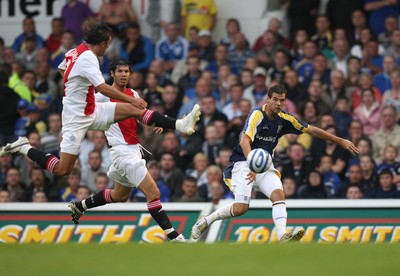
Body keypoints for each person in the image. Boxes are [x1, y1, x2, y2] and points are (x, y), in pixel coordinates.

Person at [0, 20, 201, 182]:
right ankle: (23, 147)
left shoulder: (74, 51)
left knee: (135, 111)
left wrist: (75, 86)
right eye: (109, 43)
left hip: (92, 109)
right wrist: (132, 101)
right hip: (75, 118)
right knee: (63, 169)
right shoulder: (89, 58)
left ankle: (181, 124)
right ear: (103, 42)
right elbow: (103, 88)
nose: (108, 47)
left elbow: (63, 69)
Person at [191, 85, 359, 242]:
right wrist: (252, 164)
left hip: (263, 165)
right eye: (276, 99)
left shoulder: (285, 119)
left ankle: (282, 235)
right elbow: (244, 140)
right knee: (242, 208)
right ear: (268, 99)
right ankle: (206, 220)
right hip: (243, 163)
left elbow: (312, 130)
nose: (279, 103)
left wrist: (340, 140)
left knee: (278, 194)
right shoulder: (257, 114)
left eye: (282, 100)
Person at [67, 59, 198, 242]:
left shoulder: (133, 93)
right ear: (112, 73)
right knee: (153, 193)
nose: (123, 74)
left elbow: (141, 116)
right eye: (119, 71)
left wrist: (157, 124)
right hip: (123, 153)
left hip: (132, 150)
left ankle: (80, 206)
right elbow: (88, 112)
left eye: (127, 71)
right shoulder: (102, 96)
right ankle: (174, 237)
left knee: (118, 196)